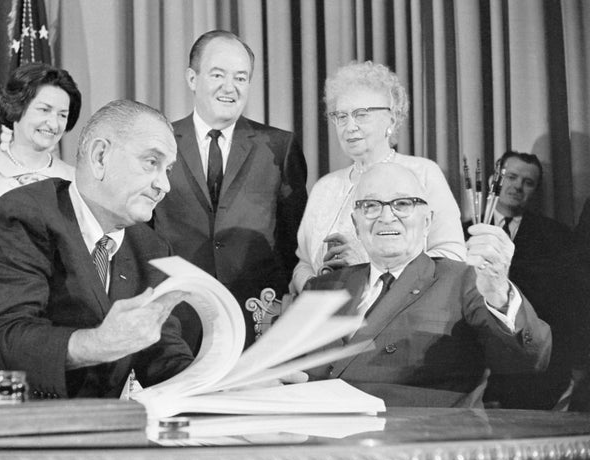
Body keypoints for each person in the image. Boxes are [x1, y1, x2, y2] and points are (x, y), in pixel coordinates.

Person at [0, 100, 194, 402]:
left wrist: (218, 384)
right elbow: (6, 342)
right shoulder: (19, 218)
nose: (164, 185)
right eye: (152, 162)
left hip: (83, 437)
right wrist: (99, 343)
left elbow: (162, 353)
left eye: (168, 169)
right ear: (100, 156)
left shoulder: (150, 247)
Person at [305, 163, 551, 408]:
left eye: (402, 204)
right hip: (320, 442)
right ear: (356, 224)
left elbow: (529, 359)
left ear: (427, 221)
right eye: (370, 206)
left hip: (424, 441)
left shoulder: (466, 280)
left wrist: (498, 290)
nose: (386, 217)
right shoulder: (321, 288)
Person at [152, 30, 308, 350]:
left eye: (241, 77)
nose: (230, 87)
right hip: (176, 319)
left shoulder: (280, 146)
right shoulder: (159, 141)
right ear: (192, 78)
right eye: (218, 74)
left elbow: (294, 240)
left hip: (258, 317)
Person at [291, 61, 465, 294]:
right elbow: (302, 264)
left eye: (361, 115)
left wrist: (365, 271)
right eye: (340, 116)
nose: (349, 126)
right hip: (329, 322)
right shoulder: (325, 187)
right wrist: (318, 286)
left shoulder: (422, 173)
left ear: (391, 120)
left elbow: (450, 258)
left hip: (404, 320)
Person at [476, 151, 590, 410]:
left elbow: (566, 306)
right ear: (495, 178)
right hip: (476, 362)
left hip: (532, 371)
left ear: (535, 190)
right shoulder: (464, 231)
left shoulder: (557, 236)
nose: (517, 186)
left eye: (528, 182)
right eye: (511, 177)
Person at [0, 62, 81, 263]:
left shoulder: (76, 180)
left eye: (62, 115)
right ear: (16, 106)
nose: (54, 124)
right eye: (44, 110)